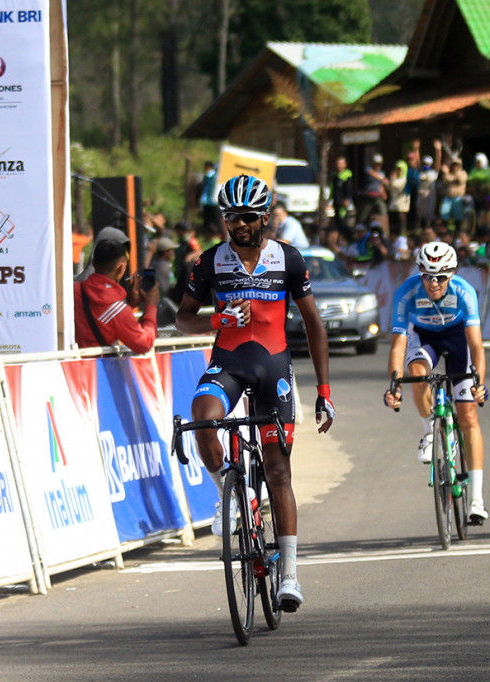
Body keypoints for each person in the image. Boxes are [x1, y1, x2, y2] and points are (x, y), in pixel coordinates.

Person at [175, 174, 334, 612]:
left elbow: (314, 325)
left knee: (278, 470)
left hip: (274, 368)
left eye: (246, 217)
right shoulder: (209, 262)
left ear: (264, 217)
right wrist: (217, 321)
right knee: (202, 417)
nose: (238, 225)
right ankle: (227, 491)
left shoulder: (289, 259)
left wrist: (323, 389)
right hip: (228, 362)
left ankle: (291, 575)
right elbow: (182, 318)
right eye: (230, 217)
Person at [382, 242, 489, 523]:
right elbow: (397, 345)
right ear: (419, 272)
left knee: (468, 416)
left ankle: (476, 500)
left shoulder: (464, 292)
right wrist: (394, 386)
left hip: (457, 339)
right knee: (416, 372)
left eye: (441, 276)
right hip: (424, 337)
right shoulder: (407, 292)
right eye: (427, 275)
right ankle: (431, 432)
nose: (433, 283)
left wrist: (479, 382)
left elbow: (476, 346)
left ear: (451, 274)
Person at [74, 236, 159, 352]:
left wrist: (128, 304)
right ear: (120, 267)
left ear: (93, 263)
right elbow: (145, 343)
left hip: (70, 366)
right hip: (100, 368)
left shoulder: (73, 290)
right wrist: (151, 306)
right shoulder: (118, 310)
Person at [356, 154, 388, 233]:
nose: (378, 166)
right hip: (369, 196)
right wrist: (383, 178)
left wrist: (384, 193)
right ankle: (358, 231)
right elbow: (372, 173)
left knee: (383, 212)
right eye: (376, 164)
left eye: (379, 164)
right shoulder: (368, 169)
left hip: (378, 197)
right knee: (363, 216)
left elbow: (381, 185)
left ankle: (385, 232)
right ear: (373, 163)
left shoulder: (382, 173)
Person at [330, 155, 354, 239]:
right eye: (337, 163)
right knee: (338, 222)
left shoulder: (347, 175)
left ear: (345, 165)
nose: (338, 165)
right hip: (336, 202)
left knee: (345, 223)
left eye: (341, 163)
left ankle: (347, 239)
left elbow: (349, 188)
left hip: (343, 204)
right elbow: (332, 189)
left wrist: (347, 199)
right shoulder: (335, 175)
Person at [199, 160, 221, 233]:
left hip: (209, 200)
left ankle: (208, 232)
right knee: (212, 219)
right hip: (212, 200)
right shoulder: (216, 176)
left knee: (208, 219)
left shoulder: (210, 175)